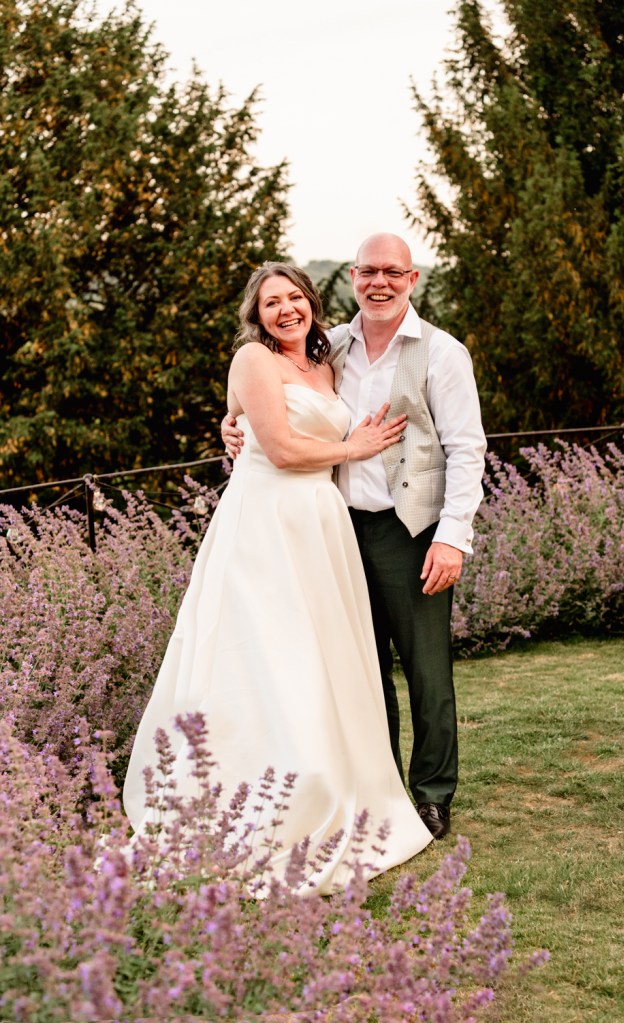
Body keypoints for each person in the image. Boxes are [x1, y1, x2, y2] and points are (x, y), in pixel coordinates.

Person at [123, 262, 433, 893]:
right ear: (256, 314)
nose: (286, 309)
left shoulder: (327, 361)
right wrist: (355, 448)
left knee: (319, 658)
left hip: (321, 522)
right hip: (264, 523)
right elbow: (283, 448)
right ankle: (257, 792)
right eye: (272, 303)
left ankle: (333, 774)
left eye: (295, 297)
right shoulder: (252, 360)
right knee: (260, 653)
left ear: (313, 303)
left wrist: (230, 424)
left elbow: (247, 424)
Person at [222, 234, 486, 840]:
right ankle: (380, 785)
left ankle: (433, 792)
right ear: (353, 278)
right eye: (368, 271)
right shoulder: (329, 345)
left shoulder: (442, 354)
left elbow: (467, 451)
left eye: (393, 272)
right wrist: (231, 424)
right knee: (358, 669)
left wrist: (453, 537)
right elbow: (270, 398)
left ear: (412, 279)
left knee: (426, 671)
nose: (379, 283)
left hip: (409, 531)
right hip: (334, 529)